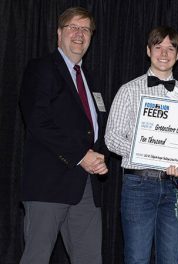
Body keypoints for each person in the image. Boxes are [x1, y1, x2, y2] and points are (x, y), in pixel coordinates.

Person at [19, 7, 108, 264]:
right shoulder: (40, 69)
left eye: (86, 29)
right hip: (48, 184)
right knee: (36, 257)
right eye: (73, 27)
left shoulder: (91, 78)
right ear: (59, 34)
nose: (79, 34)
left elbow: (93, 128)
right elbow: (37, 120)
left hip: (86, 188)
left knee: (90, 259)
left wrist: (100, 156)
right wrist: (81, 155)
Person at [105, 26, 178, 264]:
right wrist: (146, 151)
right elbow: (112, 137)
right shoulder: (128, 90)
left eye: (170, 48)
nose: (164, 53)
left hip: (176, 187)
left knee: (172, 259)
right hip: (138, 186)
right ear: (148, 51)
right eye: (158, 47)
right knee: (136, 258)